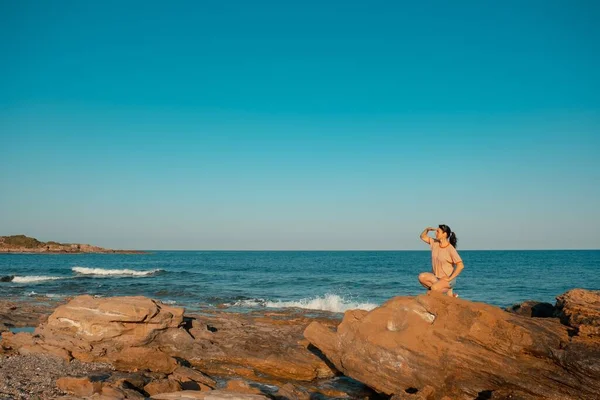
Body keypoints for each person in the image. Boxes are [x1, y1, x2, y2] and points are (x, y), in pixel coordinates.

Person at [418, 225, 464, 297]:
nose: (435, 233)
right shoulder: (435, 243)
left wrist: (450, 278)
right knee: (421, 277)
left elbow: (460, 265)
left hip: (448, 280)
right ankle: (444, 291)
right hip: (436, 277)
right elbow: (422, 236)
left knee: (433, 290)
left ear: (444, 234)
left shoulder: (450, 249)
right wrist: (427, 229)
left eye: (438, 231)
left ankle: (447, 289)